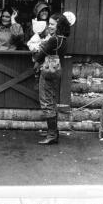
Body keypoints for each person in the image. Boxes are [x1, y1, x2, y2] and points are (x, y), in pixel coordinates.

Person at [32, 11, 76, 145]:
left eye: (52, 24)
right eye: (49, 24)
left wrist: (36, 57)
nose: (49, 26)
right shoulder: (63, 39)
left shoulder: (53, 39)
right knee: (51, 99)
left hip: (47, 71)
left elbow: (40, 56)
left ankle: (52, 135)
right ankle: (54, 132)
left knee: (46, 102)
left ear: (59, 25)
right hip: (56, 71)